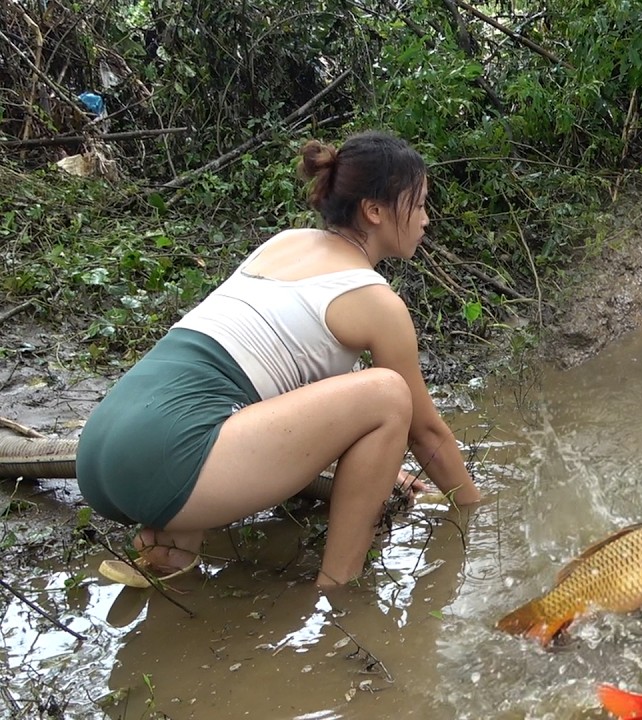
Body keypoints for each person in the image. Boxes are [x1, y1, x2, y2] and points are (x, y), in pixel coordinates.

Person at [76, 130, 482, 587]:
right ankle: (340, 591)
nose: (426, 219)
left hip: (99, 453)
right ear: (374, 211)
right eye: (420, 204)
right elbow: (425, 432)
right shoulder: (375, 300)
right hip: (170, 456)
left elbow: (293, 408)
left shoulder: (286, 242)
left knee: (220, 410)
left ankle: (168, 546)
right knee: (389, 395)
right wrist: (476, 511)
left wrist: (381, 471)